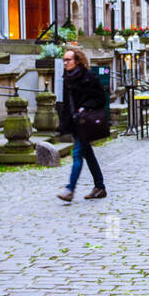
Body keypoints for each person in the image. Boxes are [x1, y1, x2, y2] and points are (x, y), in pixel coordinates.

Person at [57, 46, 107, 202]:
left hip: (86, 122)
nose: (65, 63)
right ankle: (100, 187)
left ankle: (70, 189)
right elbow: (66, 104)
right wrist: (63, 124)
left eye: (68, 60)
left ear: (77, 61)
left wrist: (85, 107)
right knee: (88, 155)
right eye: (64, 60)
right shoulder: (67, 77)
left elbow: (100, 99)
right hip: (75, 123)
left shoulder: (88, 77)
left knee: (77, 154)